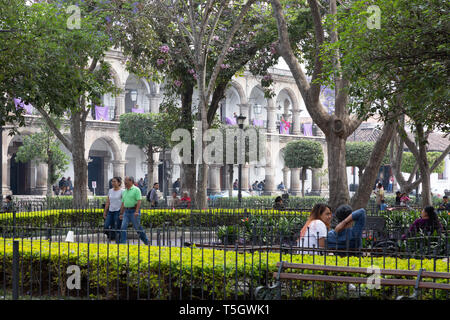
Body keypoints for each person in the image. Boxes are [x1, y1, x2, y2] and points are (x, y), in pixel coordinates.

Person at [119, 176, 149, 245]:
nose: (125, 182)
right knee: (123, 227)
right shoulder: (124, 191)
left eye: (126, 181)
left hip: (134, 211)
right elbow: (123, 203)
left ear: (131, 181)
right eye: (124, 181)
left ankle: (146, 241)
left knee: (137, 228)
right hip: (126, 211)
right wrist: (121, 213)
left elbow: (139, 201)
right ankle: (123, 243)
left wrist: (136, 211)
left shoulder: (136, 189)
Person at [103, 177, 123, 243]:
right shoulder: (110, 190)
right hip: (110, 211)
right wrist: (105, 212)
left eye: (115, 181)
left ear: (119, 183)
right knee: (106, 225)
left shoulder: (122, 191)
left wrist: (121, 212)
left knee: (116, 226)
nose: (113, 183)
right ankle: (111, 237)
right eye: (112, 181)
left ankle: (118, 241)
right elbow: (108, 202)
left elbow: (123, 202)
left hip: (118, 210)